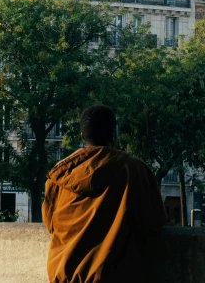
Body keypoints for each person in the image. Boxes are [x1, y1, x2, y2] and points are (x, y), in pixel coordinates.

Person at [43, 105, 166, 283]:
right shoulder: (133, 170)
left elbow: (50, 224)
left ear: (81, 136)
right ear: (114, 134)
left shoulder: (59, 175)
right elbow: (154, 222)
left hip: (64, 276)